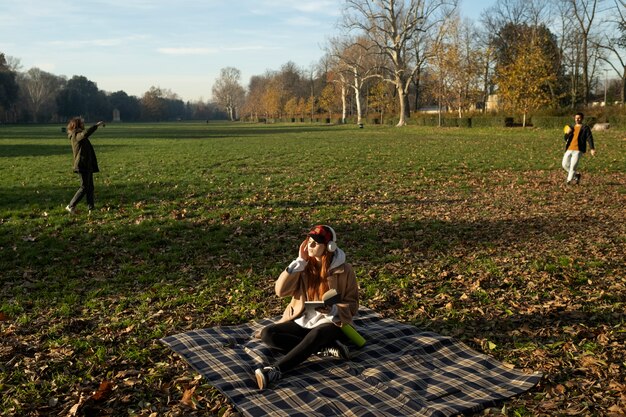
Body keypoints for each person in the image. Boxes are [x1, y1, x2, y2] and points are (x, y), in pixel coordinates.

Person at [254, 225, 359, 390]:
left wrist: (333, 310)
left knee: (316, 333)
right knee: (268, 334)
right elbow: (280, 291)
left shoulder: (345, 270)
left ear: (329, 247)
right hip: (304, 319)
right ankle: (324, 349)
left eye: (315, 243)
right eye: (309, 242)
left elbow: (352, 303)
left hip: (333, 322)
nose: (310, 246)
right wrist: (298, 263)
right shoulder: (303, 267)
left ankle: (275, 370)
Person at [65, 117, 105, 214]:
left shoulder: (78, 134)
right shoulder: (75, 135)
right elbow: (85, 133)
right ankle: (71, 205)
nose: (84, 124)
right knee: (84, 187)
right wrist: (96, 125)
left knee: (90, 187)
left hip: (87, 164)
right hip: (82, 165)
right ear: (77, 125)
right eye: (82, 123)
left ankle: (91, 208)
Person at [562, 112, 596, 185]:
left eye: (579, 118)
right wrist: (567, 133)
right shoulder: (571, 127)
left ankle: (569, 181)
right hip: (569, 149)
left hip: (578, 150)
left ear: (582, 119)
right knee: (564, 164)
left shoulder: (585, 128)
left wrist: (592, 148)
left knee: (573, 166)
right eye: (576, 118)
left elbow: (589, 138)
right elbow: (565, 139)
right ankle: (576, 175)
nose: (577, 119)